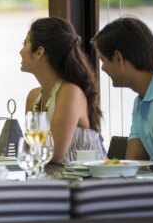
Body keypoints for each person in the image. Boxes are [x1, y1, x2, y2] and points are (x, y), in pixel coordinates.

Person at [20, 17, 106, 163]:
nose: (21, 51)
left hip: (85, 181)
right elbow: (30, 153)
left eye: (25, 43)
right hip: (51, 179)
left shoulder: (70, 92)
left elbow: (55, 155)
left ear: (39, 52)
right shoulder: (33, 96)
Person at [91, 17, 153, 161]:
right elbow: (134, 162)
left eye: (103, 60)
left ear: (118, 58)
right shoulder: (140, 102)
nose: (102, 68)